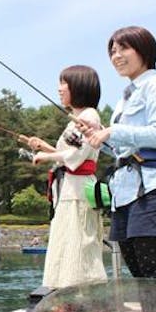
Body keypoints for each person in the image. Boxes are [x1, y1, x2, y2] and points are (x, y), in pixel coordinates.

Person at [77, 26, 156, 281]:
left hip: (152, 191)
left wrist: (112, 131)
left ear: (144, 49)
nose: (116, 56)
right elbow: (125, 150)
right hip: (123, 196)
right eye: (112, 51)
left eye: (124, 48)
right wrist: (99, 134)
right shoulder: (126, 97)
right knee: (139, 274)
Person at [24, 65, 108, 288]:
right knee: (67, 245)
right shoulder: (78, 119)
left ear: (78, 86)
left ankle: (80, 302)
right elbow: (71, 155)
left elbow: (75, 156)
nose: (59, 89)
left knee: (77, 246)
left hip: (78, 192)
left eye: (63, 83)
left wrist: (45, 155)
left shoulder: (89, 115)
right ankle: (68, 300)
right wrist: (45, 147)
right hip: (71, 190)